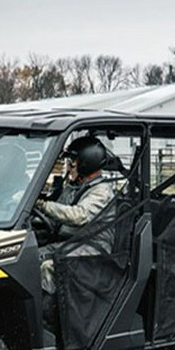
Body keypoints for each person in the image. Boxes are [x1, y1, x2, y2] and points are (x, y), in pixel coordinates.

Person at [36, 136, 116, 323]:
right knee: (30, 257)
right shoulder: (74, 186)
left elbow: (79, 215)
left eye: (72, 162)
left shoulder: (101, 191)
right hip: (70, 242)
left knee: (49, 267)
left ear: (87, 163)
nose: (69, 166)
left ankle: (51, 322)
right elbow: (57, 212)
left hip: (94, 247)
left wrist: (44, 206)